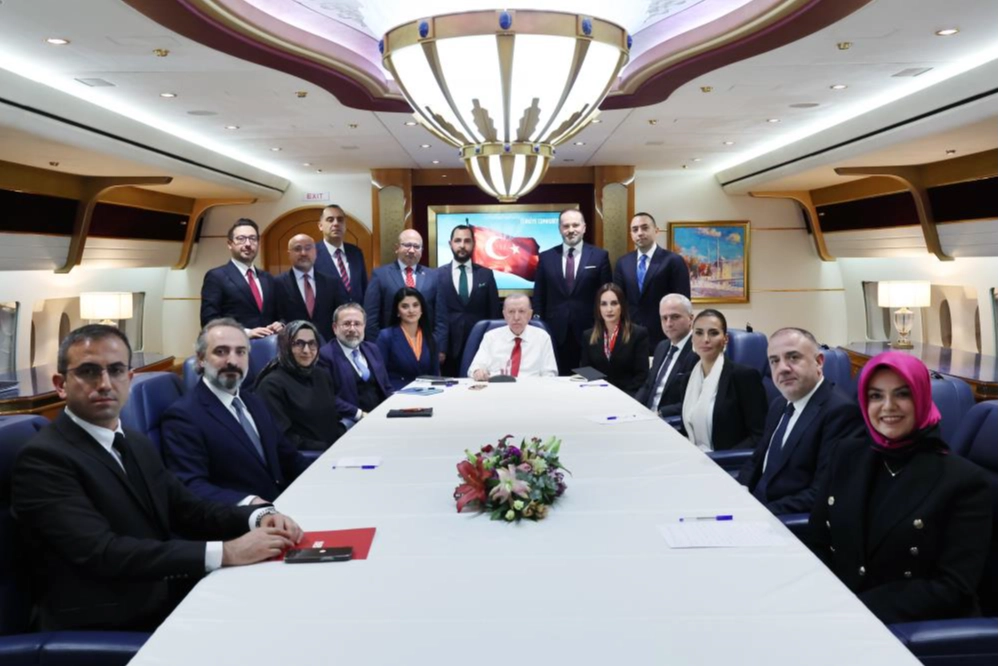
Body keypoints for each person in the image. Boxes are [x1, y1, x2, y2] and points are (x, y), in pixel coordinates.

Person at [11, 325, 302, 632]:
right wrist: (227, 552)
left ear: (129, 379)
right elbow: (104, 553)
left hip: (162, 594)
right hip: (102, 623)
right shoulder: (44, 459)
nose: (105, 384)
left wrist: (257, 517)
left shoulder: (134, 442)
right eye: (88, 372)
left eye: (116, 370)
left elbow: (188, 509)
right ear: (61, 385)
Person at [807, 352, 992, 624]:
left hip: (909, 630)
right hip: (836, 613)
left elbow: (952, 589)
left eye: (902, 394)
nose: (888, 406)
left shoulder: (965, 481)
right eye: (876, 396)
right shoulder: (847, 454)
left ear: (922, 397)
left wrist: (851, 610)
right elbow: (818, 541)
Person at [161, 318, 310, 505]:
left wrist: (327, 473)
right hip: (239, 517)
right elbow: (191, 487)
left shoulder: (254, 401)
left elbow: (289, 458)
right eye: (220, 352)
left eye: (241, 352)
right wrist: (250, 503)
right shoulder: (183, 416)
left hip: (284, 503)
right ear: (201, 359)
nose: (232, 361)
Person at [737, 328, 865, 515]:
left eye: (793, 357)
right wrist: (738, 492)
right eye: (774, 361)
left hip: (782, 520)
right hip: (752, 506)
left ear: (819, 362)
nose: (782, 368)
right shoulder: (779, 404)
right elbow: (757, 460)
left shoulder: (841, 413)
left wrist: (758, 514)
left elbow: (821, 494)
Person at [532, 209, 612, 375]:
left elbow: (606, 296)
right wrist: (539, 325)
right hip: (554, 330)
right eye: (566, 226)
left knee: (589, 378)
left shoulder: (599, 256)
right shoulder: (546, 257)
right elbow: (539, 295)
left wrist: (605, 325)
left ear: (584, 227)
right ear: (560, 229)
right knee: (557, 378)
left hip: (590, 330)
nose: (571, 230)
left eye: (575, 225)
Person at [677, 309, 767, 451]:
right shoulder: (688, 380)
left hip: (726, 460)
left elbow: (759, 436)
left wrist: (721, 459)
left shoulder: (744, 377)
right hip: (694, 456)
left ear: (725, 339)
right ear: (692, 338)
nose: (705, 339)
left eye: (713, 333)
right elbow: (686, 430)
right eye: (699, 333)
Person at [254, 320, 346, 451]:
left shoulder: (321, 375)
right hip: (305, 457)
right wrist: (327, 449)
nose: (307, 350)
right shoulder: (271, 385)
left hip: (334, 452)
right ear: (285, 346)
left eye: (312, 343)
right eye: (299, 343)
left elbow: (333, 419)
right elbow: (284, 438)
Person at [613, 212, 691, 350]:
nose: (640, 233)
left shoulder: (673, 261)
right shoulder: (623, 263)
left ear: (656, 231)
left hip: (664, 334)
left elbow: (683, 301)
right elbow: (618, 301)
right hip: (630, 335)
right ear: (631, 234)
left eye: (645, 228)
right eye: (635, 229)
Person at [435, 224, 501, 376]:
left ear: (473, 244)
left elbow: (494, 313)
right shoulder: (437, 275)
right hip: (448, 349)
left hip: (480, 345)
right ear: (450, 243)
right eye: (458, 240)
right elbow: (436, 315)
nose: (462, 245)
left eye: (467, 241)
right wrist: (440, 348)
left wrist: (494, 347)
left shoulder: (486, 274)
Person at [200, 218, 283, 338]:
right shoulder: (216, 276)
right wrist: (246, 333)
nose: (248, 244)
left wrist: (280, 324)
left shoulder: (268, 278)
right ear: (230, 244)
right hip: (235, 346)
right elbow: (209, 321)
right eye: (241, 239)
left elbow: (280, 314)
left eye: (252, 238)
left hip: (269, 345)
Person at [317, 303, 393, 426]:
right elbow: (328, 397)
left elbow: (386, 387)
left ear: (364, 326)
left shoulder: (372, 349)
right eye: (347, 324)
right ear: (335, 328)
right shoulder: (325, 356)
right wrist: (360, 415)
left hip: (381, 416)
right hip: (351, 421)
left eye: (357, 324)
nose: (352, 329)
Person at [364, 229, 443, 344]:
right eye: (407, 245)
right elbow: (371, 318)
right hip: (391, 345)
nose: (411, 250)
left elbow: (441, 318)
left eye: (416, 246)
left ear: (422, 251)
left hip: (425, 345)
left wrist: (436, 346)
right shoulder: (380, 275)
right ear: (397, 248)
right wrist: (378, 347)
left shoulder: (433, 276)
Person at [579, 283, 649, 396]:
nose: (609, 309)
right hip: (598, 395)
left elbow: (642, 376)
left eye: (614, 303)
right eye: (604, 304)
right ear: (598, 308)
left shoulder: (638, 334)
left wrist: (620, 396)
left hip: (628, 396)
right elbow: (586, 370)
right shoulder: (588, 336)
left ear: (622, 306)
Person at [468, 294, 557, 380]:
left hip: (531, 387)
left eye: (521, 311)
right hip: (497, 387)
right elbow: (475, 368)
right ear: (504, 314)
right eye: (511, 312)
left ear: (530, 314)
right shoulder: (491, 337)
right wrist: (478, 372)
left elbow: (549, 374)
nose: (516, 317)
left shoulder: (542, 337)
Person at [275, 233, 348, 338]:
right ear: (289, 254)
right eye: (297, 249)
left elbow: (341, 315)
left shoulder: (332, 283)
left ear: (315, 252)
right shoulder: (278, 283)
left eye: (308, 248)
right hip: (293, 342)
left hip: (327, 343)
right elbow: (276, 316)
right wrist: (281, 324)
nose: (303, 253)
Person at [635, 294, 699, 415]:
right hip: (646, 415)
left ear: (691, 318)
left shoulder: (698, 351)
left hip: (669, 420)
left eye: (675, 317)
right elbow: (648, 385)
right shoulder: (662, 347)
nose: (668, 324)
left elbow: (694, 402)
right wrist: (634, 405)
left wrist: (660, 413)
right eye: (664, 318)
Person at [376, 287, 441, 390]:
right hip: (397, 394)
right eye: (405, 306)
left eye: (415, 305)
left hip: (427, 394)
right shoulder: (386, 337)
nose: (411, 310)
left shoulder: (431, 338)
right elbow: (380, 375)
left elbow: (435, 375)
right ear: (397, 311)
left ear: (421, 309)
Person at [313, 204, 367, 303]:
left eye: (340, 220)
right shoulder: (312, 254)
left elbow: (364, 287)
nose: (336, 223)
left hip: (356, 311)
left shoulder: (356, 252)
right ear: (320, 226)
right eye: (330, 220)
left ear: (345, 225)